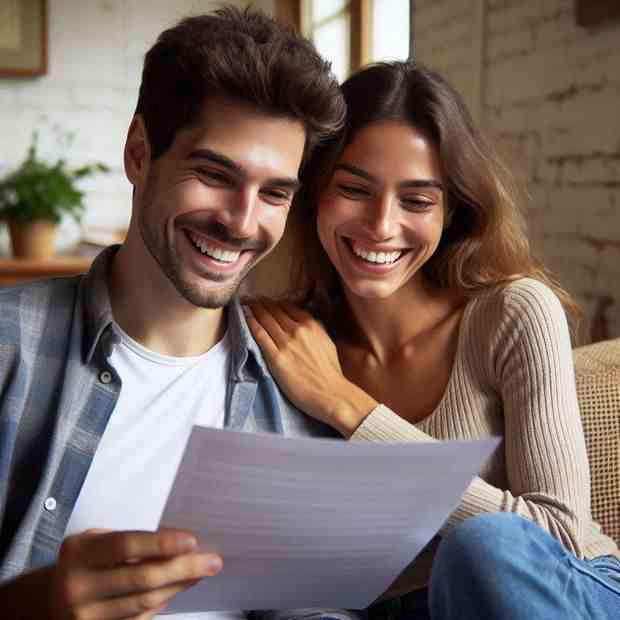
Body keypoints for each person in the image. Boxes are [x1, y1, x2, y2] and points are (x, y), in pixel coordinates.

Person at [0, 7, 346, 619]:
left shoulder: (296, 386)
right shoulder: (9, 345)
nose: (241, 221)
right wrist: (29, 607)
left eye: (274, 193)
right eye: (214, 173)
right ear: (139, 152)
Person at [247, 61, 620, 619]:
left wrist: (349, 407)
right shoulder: (290, 341)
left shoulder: (513, 312)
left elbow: (556, 535)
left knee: (483, 548)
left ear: (451, 212)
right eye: (353, 189)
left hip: (556, 592)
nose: (381, 225)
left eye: (417, 201)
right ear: (315, 193)